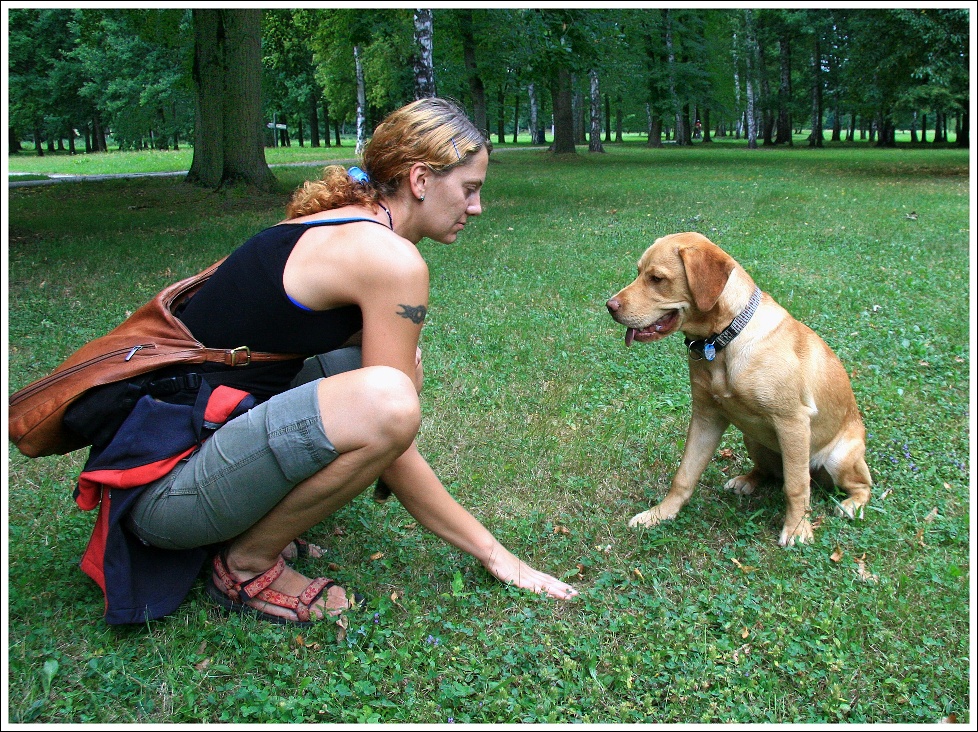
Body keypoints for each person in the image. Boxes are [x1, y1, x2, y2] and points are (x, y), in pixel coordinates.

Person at [87, 97, 577, 626]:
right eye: (470, 188)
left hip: (152, 472)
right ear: (420, 179)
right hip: (163, 502)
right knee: (389, 399)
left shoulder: (338, 221)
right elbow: (389, 418)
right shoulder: (390, 259)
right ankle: (245, 566)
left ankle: (244, 529)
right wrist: (494, 552)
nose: (476, 207)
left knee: (388, 372)